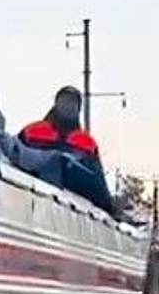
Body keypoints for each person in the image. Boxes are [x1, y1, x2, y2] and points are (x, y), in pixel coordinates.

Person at [16, 85, 115, 214]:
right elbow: (16, 156)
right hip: (35, 197)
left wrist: (107, 207)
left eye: (73, 103)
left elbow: (97, 180)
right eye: (64, 101)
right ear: (56, 104)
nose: (68, 106)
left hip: (72, 205)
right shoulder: (32, 131)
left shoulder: (87, 142)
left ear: (79, 109)